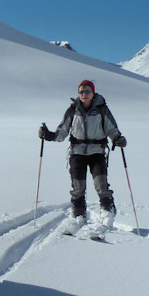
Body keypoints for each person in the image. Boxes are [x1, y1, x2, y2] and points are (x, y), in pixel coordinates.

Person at [39, 79, 127, 233]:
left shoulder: (101, 109)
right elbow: (63, 131)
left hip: (97, 152)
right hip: (77, 153)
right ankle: (79, 214)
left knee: (101, 184)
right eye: (81, 91)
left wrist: (117, 138)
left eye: (87, 91)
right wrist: (49, 135)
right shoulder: (73, 110)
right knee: (78, 187)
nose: (84, 94)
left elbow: (111, 128)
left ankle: (108, 211)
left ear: (93, 93)